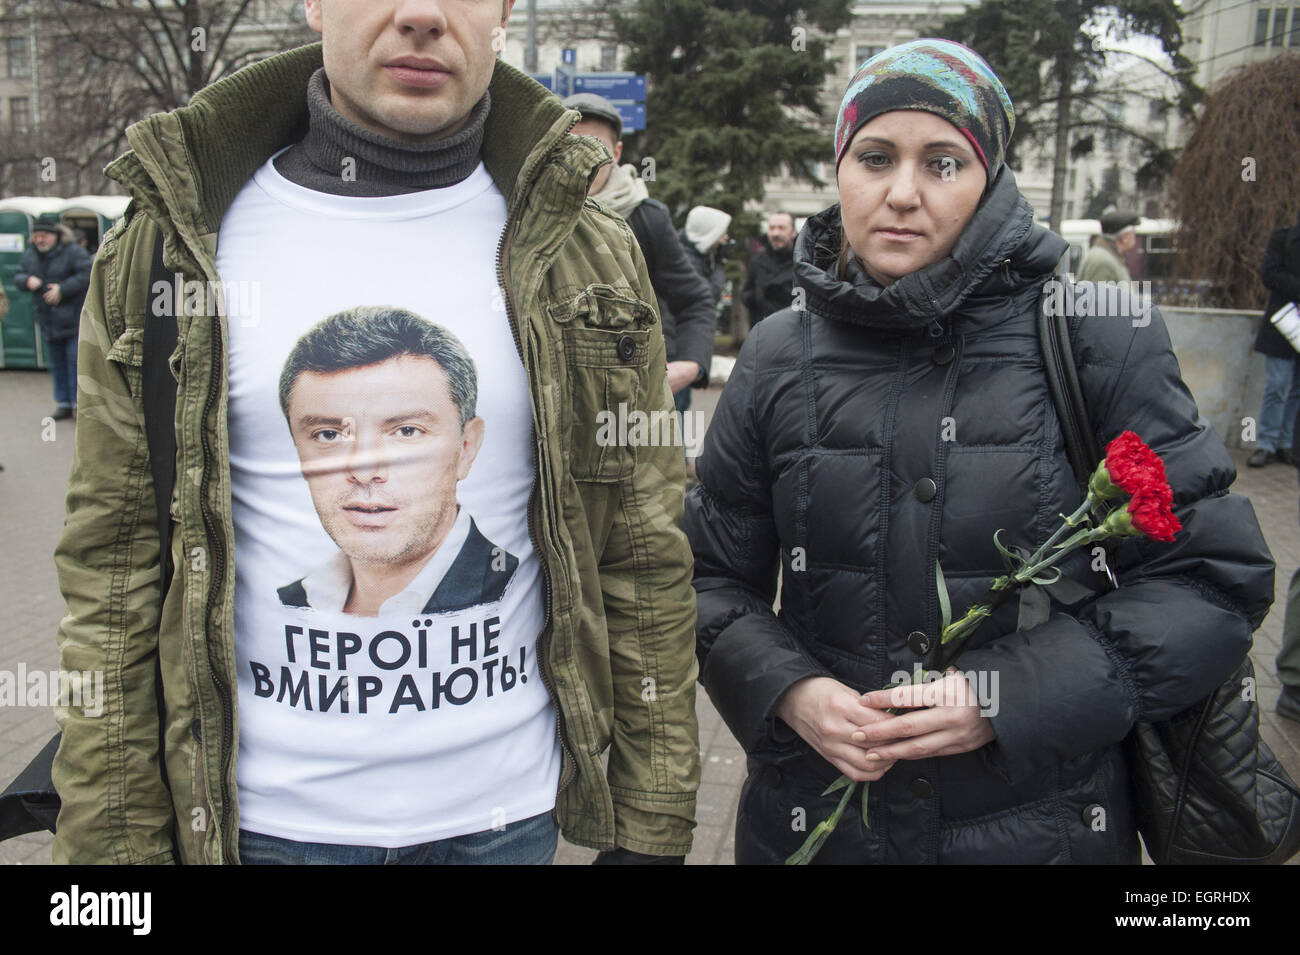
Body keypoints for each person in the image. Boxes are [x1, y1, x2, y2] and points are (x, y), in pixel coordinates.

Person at [51, 0, 699, 866]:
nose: (423, 14)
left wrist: (653, 823)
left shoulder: (588, 247)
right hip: (265, 831)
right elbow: (113, 571)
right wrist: (113, 864)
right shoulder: (173, 241)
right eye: (324, 435)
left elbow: (642, 547)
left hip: (503, 825)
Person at [685, 38, 1274, 864]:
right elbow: (710, 579)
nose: (901, 193)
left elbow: (1212, 580)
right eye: (876, 156)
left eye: (943, 162)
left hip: (1042, 827)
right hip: (820, 826)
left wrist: (1003, 700)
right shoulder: (779, 353)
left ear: (991, 179)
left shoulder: (1092, 332)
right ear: (841, 170)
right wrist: (789, 690)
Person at [274, 307, 517, 616]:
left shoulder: (516, 589)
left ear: (466, 448)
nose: (363, 472)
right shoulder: (287, 603)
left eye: (406, 431)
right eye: (329, 435)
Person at [563, 92, 715, 417]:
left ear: (616, 153)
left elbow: (694, 299)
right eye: (570, 145)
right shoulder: (532, 215)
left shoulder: (647, 218)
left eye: (595, 146)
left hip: (639, 399)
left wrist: (689, 364)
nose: (583, 158)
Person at [14, 214, 93, 420]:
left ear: (55, 235)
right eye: (36, 236)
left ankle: (79, 404)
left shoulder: (73, 252)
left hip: (74, 319)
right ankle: (64, 403)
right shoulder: (31, 254)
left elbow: (87, 275)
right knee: (56, 363)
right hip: (48, 319)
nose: (39, 240)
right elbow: (18, 275)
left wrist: (62, 289)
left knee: (75, 362)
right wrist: (26, 280)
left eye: (44, 236)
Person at [1248, 216, 1300, 468]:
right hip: (1283, 323)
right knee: (1277, 386)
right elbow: (1269, 274)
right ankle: (1266, 444)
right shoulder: (1283, 237)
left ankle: (1285, 443)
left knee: (1297, 390)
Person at [679, 205, 733, 335]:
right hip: (686, 336)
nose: (726, 237)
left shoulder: (697, 255)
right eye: (722, 232)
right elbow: (709, 296)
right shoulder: (687, 261)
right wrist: (720, 262)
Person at [741, 211, 796, 325]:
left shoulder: (803, 260)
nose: (775, 233)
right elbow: (746, 295)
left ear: (793, 232)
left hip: (792, 330)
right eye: (772, 228)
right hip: (762, 330)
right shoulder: (758, 260)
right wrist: (758, 295)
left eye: (781, 228)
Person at [1075, 210, 1138, 284]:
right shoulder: (1103, 261)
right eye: (1133, 233)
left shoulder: (1106, 256)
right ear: (1125, 237)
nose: (1135, 237)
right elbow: (1097, 294)